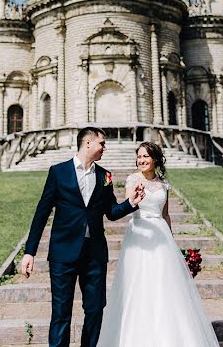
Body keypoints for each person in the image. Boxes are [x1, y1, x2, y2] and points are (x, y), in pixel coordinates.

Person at [21, 127, 145, 347]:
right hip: (63, 254)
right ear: (88, 143)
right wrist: (29, 252)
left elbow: (111, 212)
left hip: (94, 255)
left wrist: (131, 204)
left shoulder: (104, 175)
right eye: (102, 143)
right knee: (61, 313)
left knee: (95, 309)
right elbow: (41, 214)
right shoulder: (58, 172)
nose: (105, 148)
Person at [98, 142, 220, 346]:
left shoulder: (164, 184)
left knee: (164, 284)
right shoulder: (132, 179)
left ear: (155, 159)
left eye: (145, 156)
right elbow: (126, 207)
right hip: (138, 233)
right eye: (138, 157)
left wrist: (171, 242)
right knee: (137, 284)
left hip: (161, 236)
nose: (141, 160)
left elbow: (166, 214)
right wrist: (134, 199)